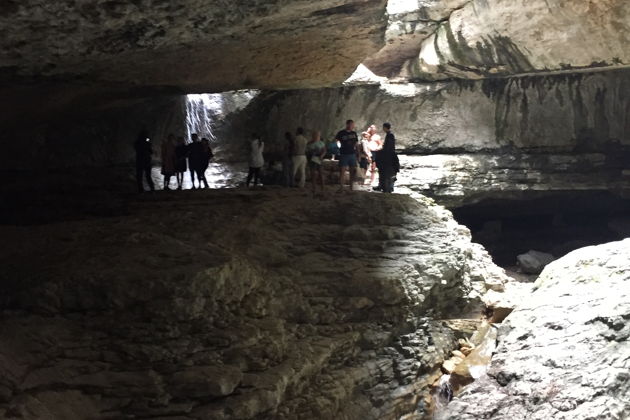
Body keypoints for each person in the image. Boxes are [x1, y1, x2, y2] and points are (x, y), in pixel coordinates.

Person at [335, 119, 359, 192]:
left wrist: (358, 153)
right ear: (347, 124)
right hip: (344, 154)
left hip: (352, 154)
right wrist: (339, 147)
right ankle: (341, 187)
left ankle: (351, 187)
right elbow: (336, 141)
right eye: (351, 125)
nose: (353, 126)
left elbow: (356, 143)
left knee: (352, 171)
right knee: (342, 171)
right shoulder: (341, 133)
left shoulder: (354, 133)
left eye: (353, 125)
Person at [377, 122, 399, 193]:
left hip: (388, 156)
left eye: (383, 127)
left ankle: (387, 187)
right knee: (389, 172)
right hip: (390, 155)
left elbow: (389, 146)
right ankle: (386, 187)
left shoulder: (390, 135)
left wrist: (384, 152)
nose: (383, 129)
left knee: (387, 172)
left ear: (385, 127)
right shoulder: (389, 135)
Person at [134, 128, 155, 193]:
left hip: (140, 161)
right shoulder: (147, 142)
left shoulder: (137, 142)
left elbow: (136, 148)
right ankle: (152, 188)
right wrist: (148, 142)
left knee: (139, 176)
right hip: (147, 161)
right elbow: (151, 151)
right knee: (148, 176)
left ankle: (141, 189)